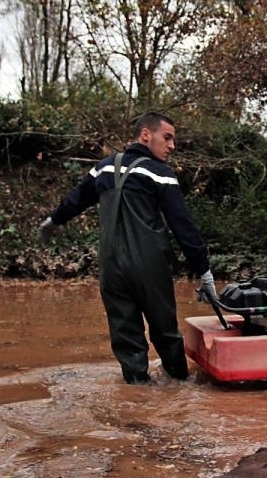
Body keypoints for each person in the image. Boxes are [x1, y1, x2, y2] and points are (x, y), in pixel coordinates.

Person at [38, 112, 216, 385]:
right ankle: (180, 390)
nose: (172, 146)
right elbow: (183, 226)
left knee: (126, 337)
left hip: (110, 268)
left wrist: (54, 220)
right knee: (165, 333)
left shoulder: (104, 168)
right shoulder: (160, 174)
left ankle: (137, 396)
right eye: (167, 138)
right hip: (150, 267)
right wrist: (204, 271)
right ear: (146, 134)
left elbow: (77, 198)